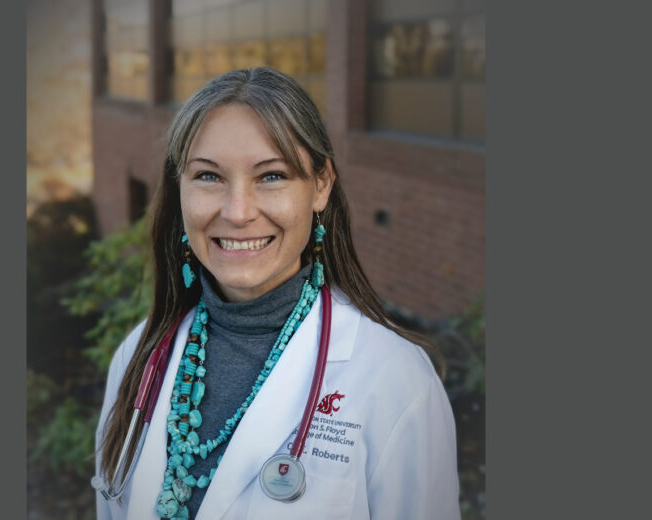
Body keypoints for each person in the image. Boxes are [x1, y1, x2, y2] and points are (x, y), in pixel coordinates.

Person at [94, 67, 460, 519]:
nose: (238, 212)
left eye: (271, 176)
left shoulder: (395, 381)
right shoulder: (138, 357)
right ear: (179, 188)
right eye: (208, 176)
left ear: (321, 185)